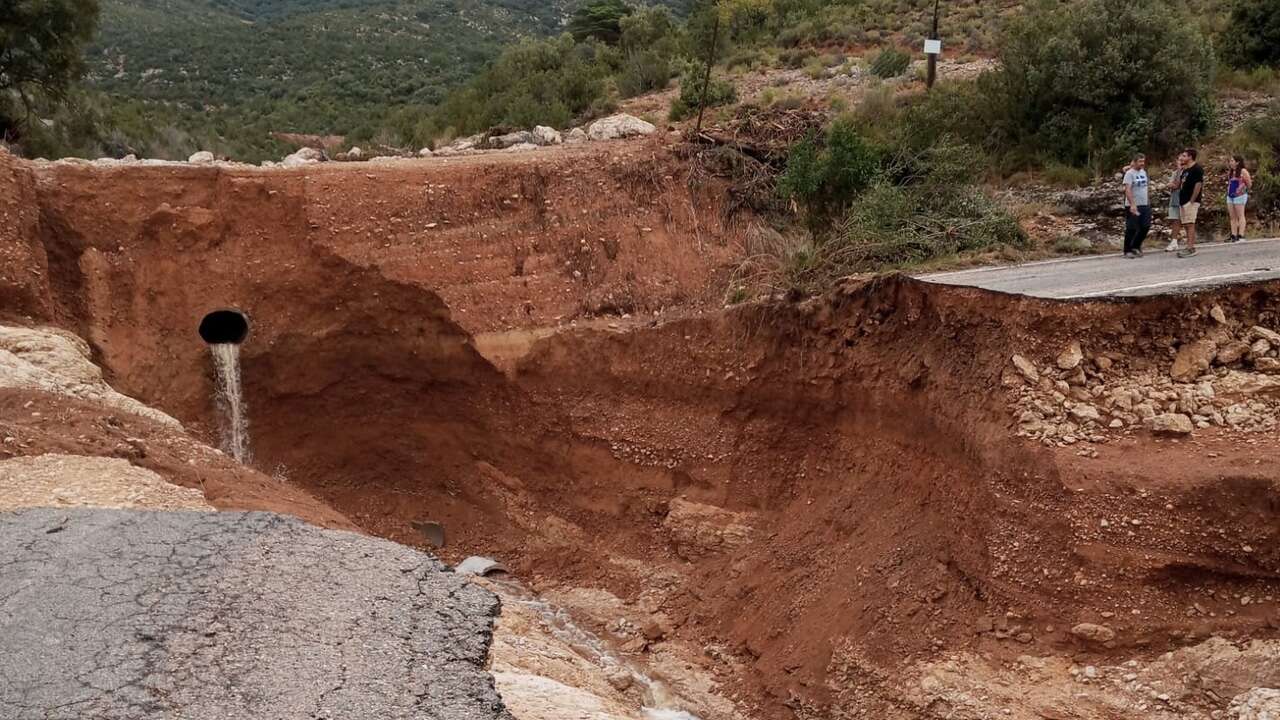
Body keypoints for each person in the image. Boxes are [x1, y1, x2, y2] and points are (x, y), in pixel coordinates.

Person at [1122, 153, 1151, 258]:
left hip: (1144, 204)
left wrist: (1148, 201)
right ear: (1134, 162)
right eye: (1140, 161)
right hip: (1134, 204)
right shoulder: (1129, 174)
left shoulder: (1143, 172)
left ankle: (1136, 246)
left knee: (1145, 226)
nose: (1142, 163)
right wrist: (1132, 204)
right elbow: (1128, 189)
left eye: (1143, 161)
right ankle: (1127, 250)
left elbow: (1145, 187)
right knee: (1132, 227)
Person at [1177, 148, 1204, 258]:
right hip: (1183, 200)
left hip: (1190, 201)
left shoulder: (1197, 169)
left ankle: (1191, 247)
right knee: (1187, 224)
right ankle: (1189, 246)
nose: (1182, 158)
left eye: (1184, 156)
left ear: (1190, 157)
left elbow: (1198, 185)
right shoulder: (1185, 170)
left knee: (1190, 223)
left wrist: (1192, 200)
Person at [1226, 154, 1252, 243]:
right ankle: (1233, 234)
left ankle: (1241, 235)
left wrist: (1242, 189)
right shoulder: (1231, 172)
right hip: (1230, 195)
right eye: (1230, 161)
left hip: (1239, 195)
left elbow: (1249, 183)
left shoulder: (1243, 171)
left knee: (1240, 215)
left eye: (1232, 161)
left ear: (1237, 162)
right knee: (1232, 216)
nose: (1230, 163)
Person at [1164, 156, 1185, 252]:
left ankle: (1189, 242)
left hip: (1184, 200)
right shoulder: (1175, 173)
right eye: (1179, 160)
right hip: (1175, 199)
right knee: (1175, 221)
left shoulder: (1186, 173)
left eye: (1182, 160)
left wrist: (1173, 185)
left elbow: (1176, 185)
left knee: (1187, 222)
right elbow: (1171, 184)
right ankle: (1174, 242)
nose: (1180, 162)